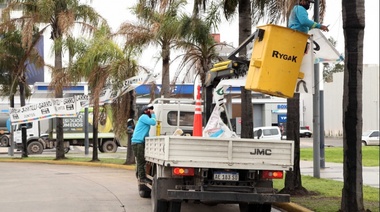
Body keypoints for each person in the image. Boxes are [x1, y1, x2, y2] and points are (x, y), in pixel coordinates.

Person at [131, 104, 156, 183]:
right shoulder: (143, 117)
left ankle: (139, 174)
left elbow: (145, 132)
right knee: (141, 160)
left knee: (141, 160)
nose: (151, 111)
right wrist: (153, 114)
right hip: (138, 142)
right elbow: (153, 122)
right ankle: (142, 178)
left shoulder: (144, 118)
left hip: (139, 142)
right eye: (149, 110)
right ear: (145, 111)